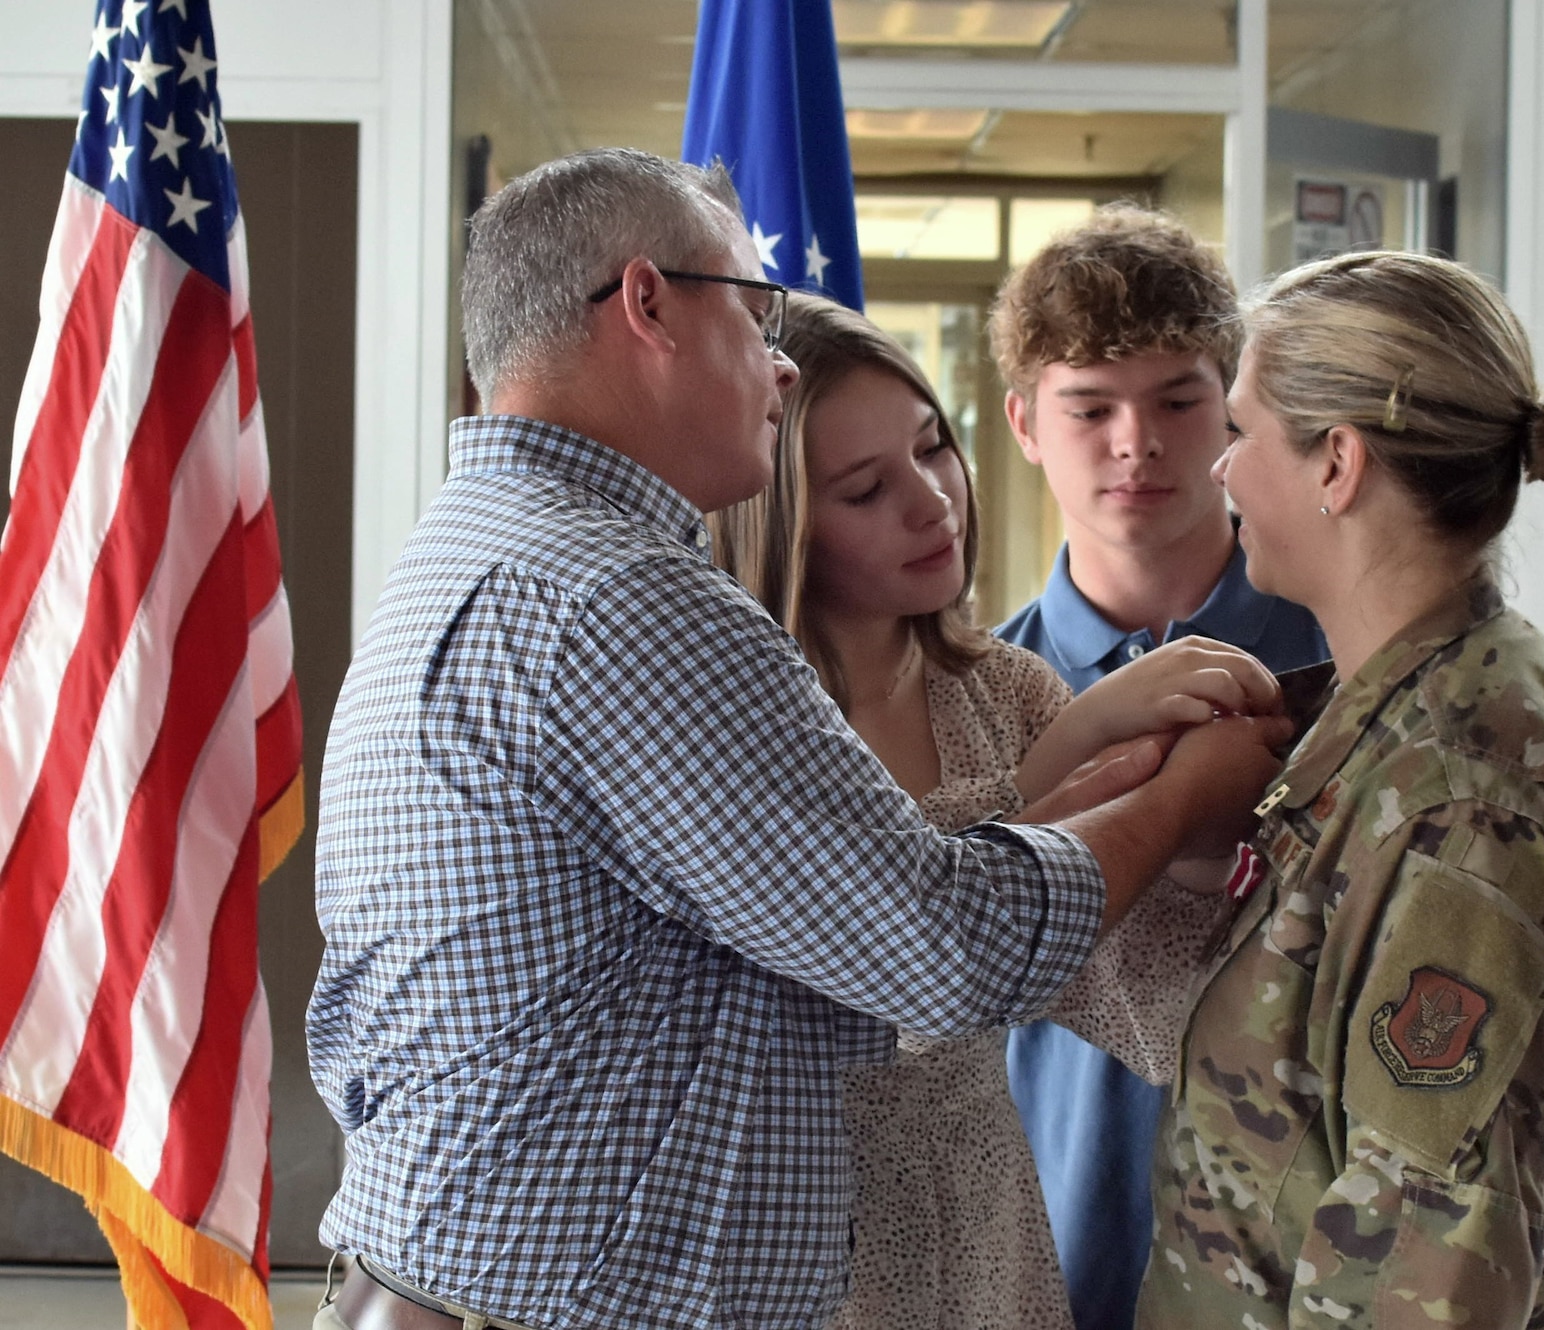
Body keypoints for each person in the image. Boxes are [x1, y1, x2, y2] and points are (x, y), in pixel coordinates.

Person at [305, 148, 1286, 1330]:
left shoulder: (485, 547)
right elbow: (934, 944)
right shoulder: (621, 599)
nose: (776, 356)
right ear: (649, 304)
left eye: (930, 450)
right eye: (753, 308)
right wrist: (1171, 798)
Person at [1139, 250, 1544, 1327]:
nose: (1219, 470)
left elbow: (1422, 1278)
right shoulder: (1398, 726)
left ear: (1335, 464)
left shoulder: (1465, 805)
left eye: (1239, 432)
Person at [710, 292, 1273, 1329]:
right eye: (866, 488)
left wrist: (1207, 839)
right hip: (795, 1238)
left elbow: (1136, 986)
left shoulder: (1002, 689)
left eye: (933, 447)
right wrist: (1066, 768)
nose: (931, 503)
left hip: (985, 1227)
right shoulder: (744, 714)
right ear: (782, 515)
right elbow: (896, 971)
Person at [990, 204, 1331, 1330]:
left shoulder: (1343, 661)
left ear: (1230, 413)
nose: (1134, 443)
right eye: (1088, 408)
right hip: (1043, 1258)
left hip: (1307, 1263)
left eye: (1178, 401)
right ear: (1024, 424)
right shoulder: (969, 699)